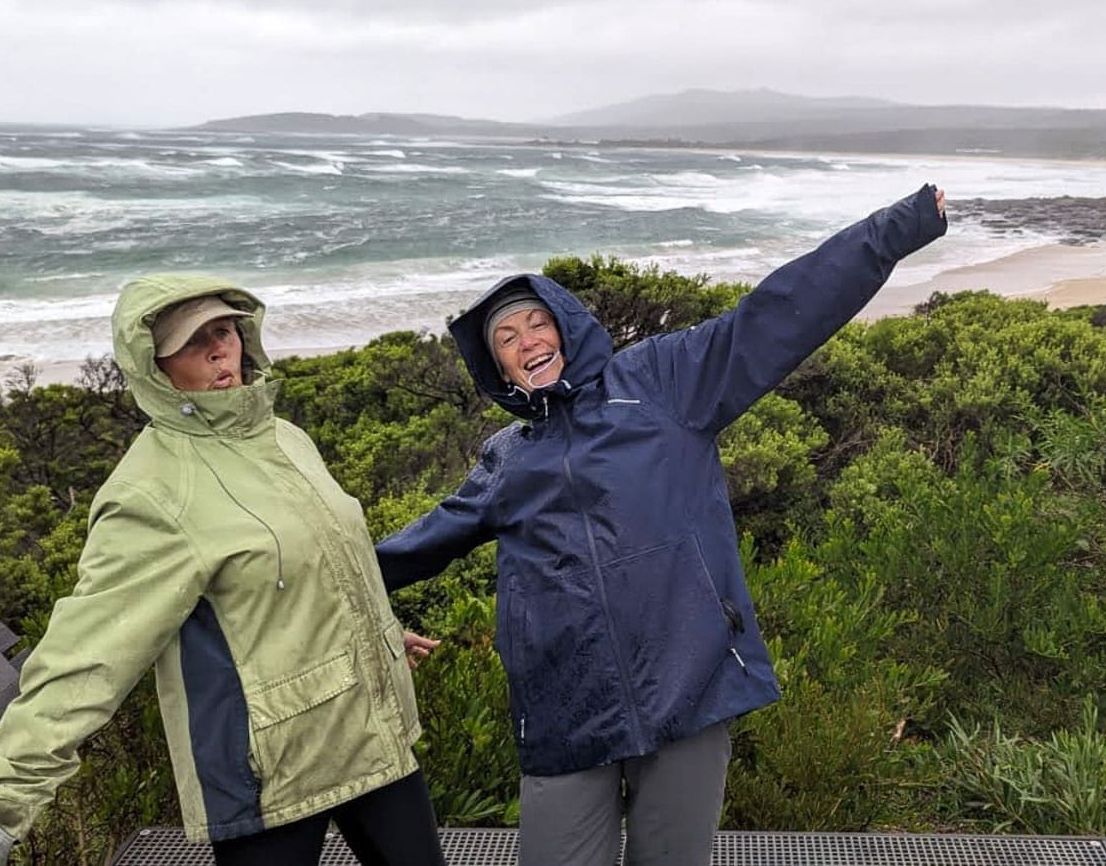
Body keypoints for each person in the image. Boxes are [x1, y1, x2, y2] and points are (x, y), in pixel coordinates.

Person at [377, 185, 947, 865]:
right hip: (564, 713)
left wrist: (899, 226)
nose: (528, 341)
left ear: (565, 328)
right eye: (507, 338)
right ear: (498, 368)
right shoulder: (507, 459)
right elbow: (413, 549)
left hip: (687, 689)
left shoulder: (659, 383)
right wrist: (349, 608)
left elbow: (775, 316)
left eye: (537, 323)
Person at [0, 275, 446, 866]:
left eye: (224, 331)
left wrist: (374, 633)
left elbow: (313, 565)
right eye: (193, 342)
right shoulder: (151, 494)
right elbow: (84, 658)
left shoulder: (283, 437)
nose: (218, 350)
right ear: (154, 368)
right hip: (267, 776)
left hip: (370, 731)